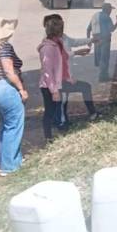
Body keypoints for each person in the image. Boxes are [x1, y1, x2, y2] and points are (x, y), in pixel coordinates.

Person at [0, 17, 27, 176]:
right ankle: (9, 166)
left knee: (6, 126)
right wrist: (21, 88)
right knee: (14, 126)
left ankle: (10, 160)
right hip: (5, 89)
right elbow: (9, 71)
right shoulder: (5, 47)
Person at [43, 14, 100, 123]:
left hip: (66, 76)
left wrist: (90, 40)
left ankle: (62, 121)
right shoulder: (51, 42)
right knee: (63, 100)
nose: (62, 26)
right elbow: (59, 57)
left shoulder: (63, 37)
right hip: (60, 79)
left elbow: (74, 42)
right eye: (59, 24)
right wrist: (76, 53)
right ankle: (62, 123)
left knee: (64, 100)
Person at [38, 14, 72, 142]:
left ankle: (58, 128)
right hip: (48, 86)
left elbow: (63, 61)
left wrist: (67, 77)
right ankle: (48, 137)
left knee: (56, 108)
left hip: (56, 84)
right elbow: (48, 72)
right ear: (57, 32)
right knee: (49, 112)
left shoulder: (57, 43)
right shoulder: (47, 48)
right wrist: (54, 91)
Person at [87, 3, 117, 82]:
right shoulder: (107, 17)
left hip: (96, 40)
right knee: (104, 58)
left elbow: (88, 29)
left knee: (100, 58)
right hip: (105, 39)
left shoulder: (95, 16)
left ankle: (102, 75)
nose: (111, 11)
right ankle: (103, 77)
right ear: (107, 9)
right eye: (110, 9)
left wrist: (88, 40)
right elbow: (112, 29)